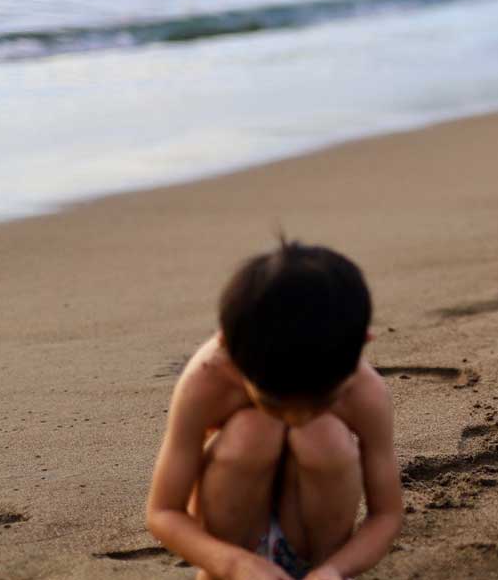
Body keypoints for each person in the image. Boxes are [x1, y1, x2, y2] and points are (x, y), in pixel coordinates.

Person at [145, 242, 402, 580]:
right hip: (233, 543)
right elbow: (163, 511)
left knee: (323, 434)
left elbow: (386, 514)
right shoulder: (207, 380)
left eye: (320, 403)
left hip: (317, 545)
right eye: (275, 404)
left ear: (362, 344)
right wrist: (232, 563)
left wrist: (336, 570)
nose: (296, 419)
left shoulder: (363, 390)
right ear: (228, 347)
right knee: (253, 430)